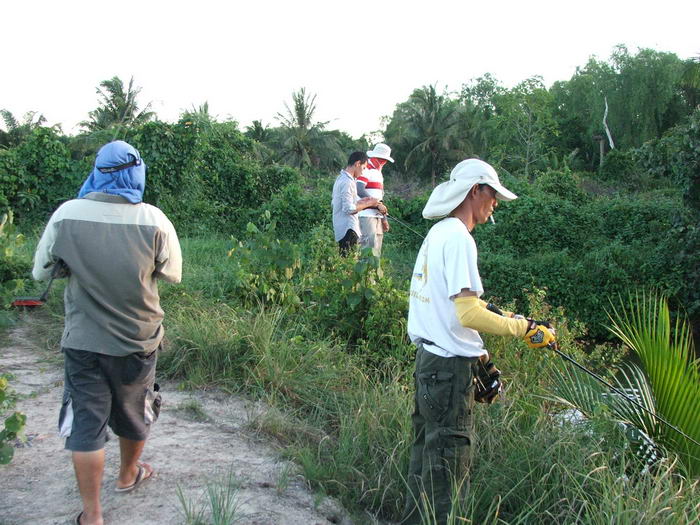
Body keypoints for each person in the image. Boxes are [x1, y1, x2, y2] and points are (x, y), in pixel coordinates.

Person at [32, 140, 182, 525]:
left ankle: (93, 515)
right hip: (138, 339)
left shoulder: (66, 215)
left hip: (84, 340)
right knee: (135, 413)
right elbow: (172, 273)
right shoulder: (154, 219)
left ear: (97, 170)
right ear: (137, 172)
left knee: (86, 424)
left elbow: (41, 273)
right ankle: (128, 475)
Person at [402, 158, 556, 524]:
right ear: (475, 191)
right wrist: (525, 329)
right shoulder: (459, 239)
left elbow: (455, 307)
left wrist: (490, 341)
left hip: (430, 364)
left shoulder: (439, 233)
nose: (496, 203)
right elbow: (468, 314)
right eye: (493, 194)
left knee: (425, 460)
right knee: (449, 469)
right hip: (448, 373)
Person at [332, 151, 387, 256]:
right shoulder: (347, 182)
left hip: (345, 227)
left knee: (347, 260)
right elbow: (348, 209)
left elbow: (350, 204)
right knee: (348, 261)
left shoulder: (343, 179)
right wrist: (368, 204)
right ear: (357, 164)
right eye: (363, 167)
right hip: (347, 228)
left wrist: (363, 202)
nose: (363, 172)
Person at [357, 143, 394, 257]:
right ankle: (364, 274)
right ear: (375, 158)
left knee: (376, 251)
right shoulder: (366, 169)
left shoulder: (378, 173)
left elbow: (379, 198)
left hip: (377, 216)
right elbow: (359, 189)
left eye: (385, 160)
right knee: (367, 249)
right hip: (366, 215)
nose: (384, 162)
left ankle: (373, 274)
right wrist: (376, 204)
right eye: (382, 160)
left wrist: (384, 218)